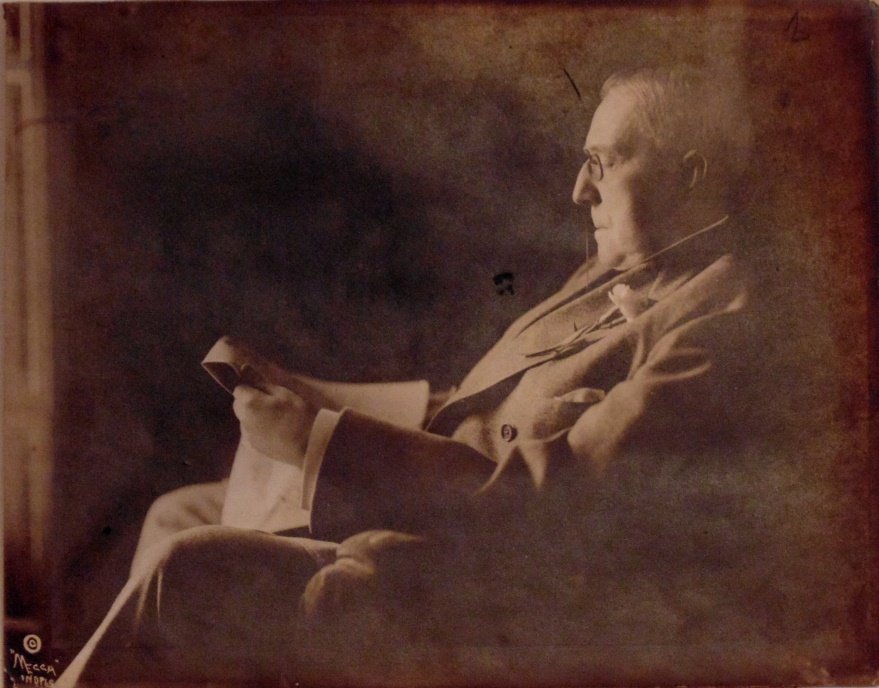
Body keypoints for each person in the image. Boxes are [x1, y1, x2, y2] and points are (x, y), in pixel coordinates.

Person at [56, 66, 837, 687]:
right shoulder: (619, 268)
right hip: (454, 512)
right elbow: (483, 406)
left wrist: (316, 439)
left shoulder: (724, 320)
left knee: (187, 566)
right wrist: (312, 394)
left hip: (511, 581)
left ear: (692, 171)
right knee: (175, 511)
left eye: (600, 162)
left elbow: (553, 501)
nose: (578, 191)